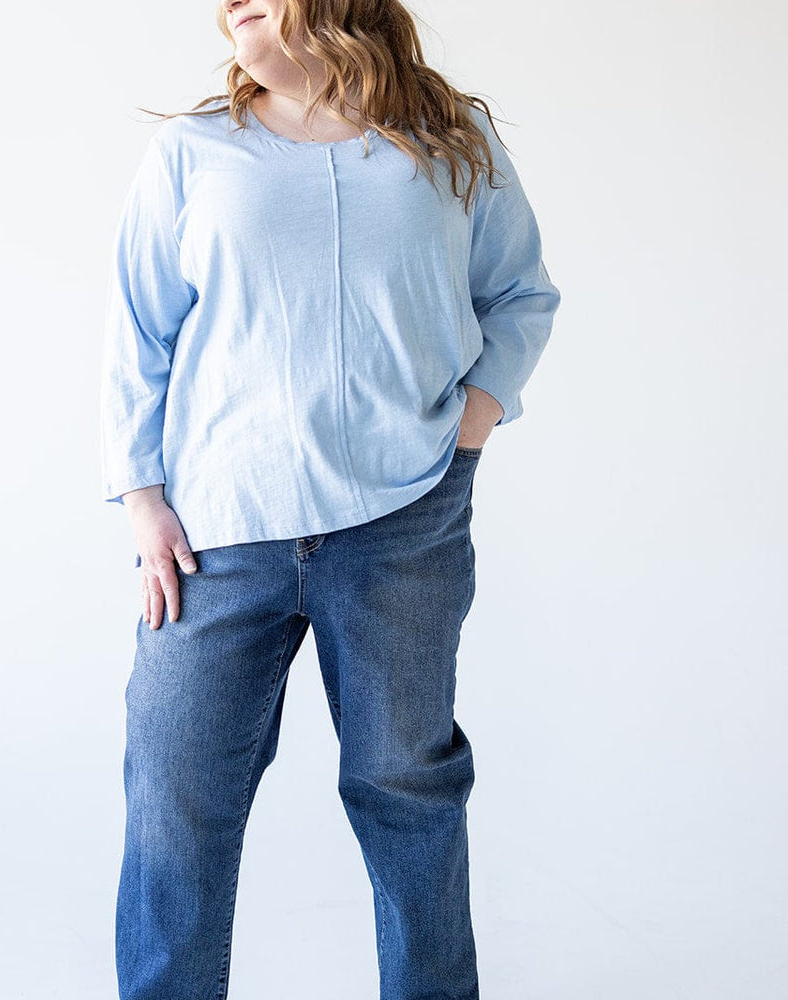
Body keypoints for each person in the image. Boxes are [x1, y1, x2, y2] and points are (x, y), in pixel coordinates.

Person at [99, 1, 561, 997]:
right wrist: (142, 498)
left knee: (407, 786)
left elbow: (519, 295)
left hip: (404, 525)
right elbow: (136, 332)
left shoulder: (447, 139)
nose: (229, 5)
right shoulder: (194, 151)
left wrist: (470, 425)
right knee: (176, 792)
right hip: (216, 532)